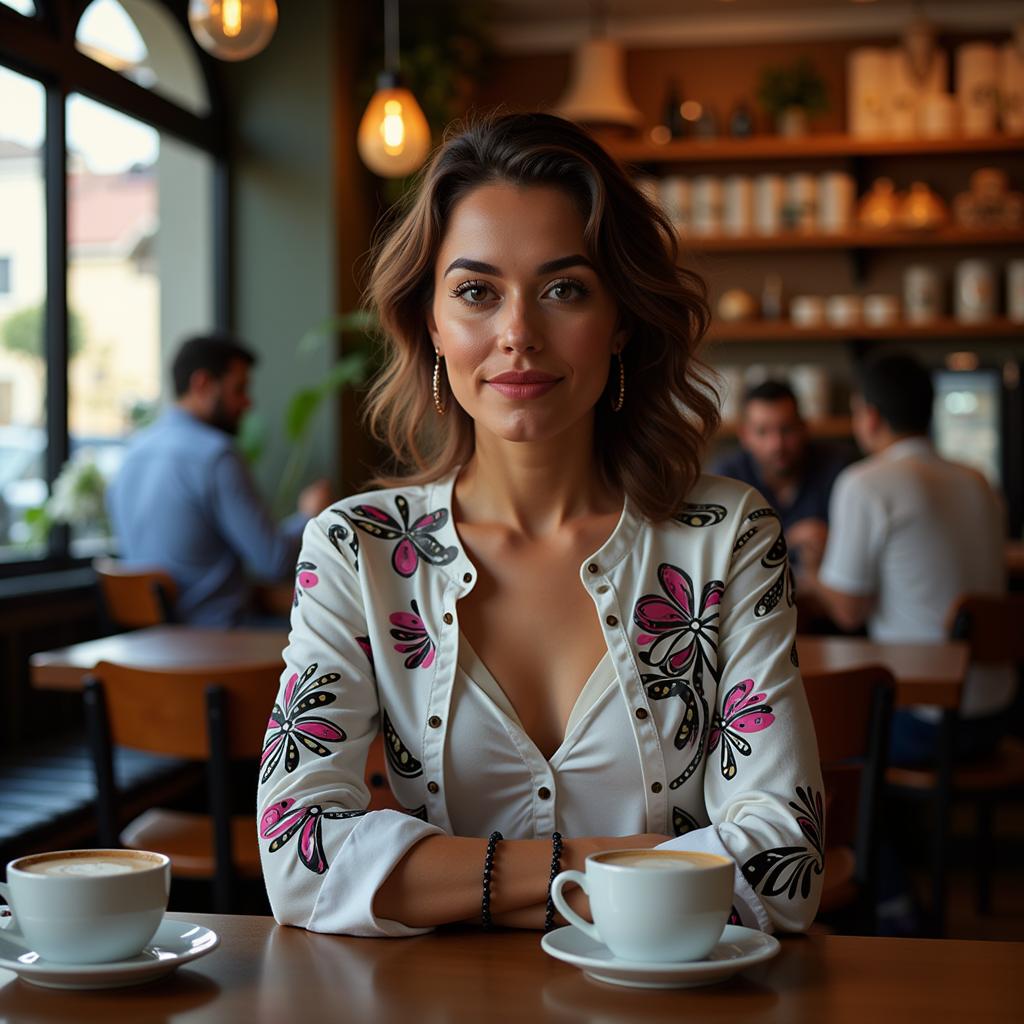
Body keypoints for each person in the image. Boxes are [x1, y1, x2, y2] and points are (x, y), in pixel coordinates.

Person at [257, 113, 822, 938]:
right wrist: (607, 865)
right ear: (431, 323)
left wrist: (449, 875)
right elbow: (296, 856)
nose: (518, 334)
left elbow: (780, 864)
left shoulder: (725, 535)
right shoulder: (359, 549)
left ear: (621, 317)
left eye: (564, 289)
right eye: (476, 292)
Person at [799, 352, 1014, 765]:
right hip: (997, 714)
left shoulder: (866, 482)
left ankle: (867, 831)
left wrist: (813, 570)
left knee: (814, 731)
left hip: (925, 722)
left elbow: (848, 612)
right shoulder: (979, 481)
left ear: (871, 416)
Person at [107, 333, 330, 627]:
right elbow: (274, 562)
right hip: (217, 644)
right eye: (239, 389)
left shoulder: (132, 454)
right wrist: (309, 514)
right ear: (201, 384)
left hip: (149, 648)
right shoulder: (215, 456)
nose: (247, 403)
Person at [713, 379, 851, 571]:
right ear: (745, 435)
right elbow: (718, 555)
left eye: (786, 429)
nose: (776, 444)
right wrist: (789, 539)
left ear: (804, 428)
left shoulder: (838, 469)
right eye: (762, 432)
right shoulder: (726, 478)